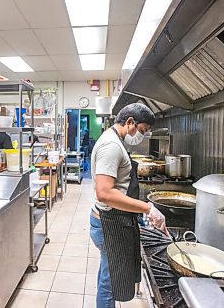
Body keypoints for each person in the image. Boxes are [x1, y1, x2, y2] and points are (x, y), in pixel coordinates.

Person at [89, 103, 167, 308]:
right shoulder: (112, 146)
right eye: (142, 131)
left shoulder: (115, 140)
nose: (142, 136)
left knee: (108, 273)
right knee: (111, 282)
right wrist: (147, 208)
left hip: (113, 219)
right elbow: (104, 192)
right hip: (109, 223)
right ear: (130, 122)